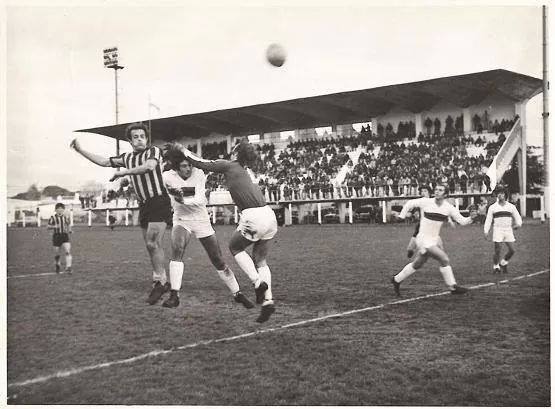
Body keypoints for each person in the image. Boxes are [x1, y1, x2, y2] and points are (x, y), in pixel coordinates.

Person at [71, 122, 173, 305]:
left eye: (142, 136)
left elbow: (149, 167)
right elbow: (103, 161)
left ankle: (159, 282)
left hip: (159, 201)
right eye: (135, 137)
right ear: (130, 140)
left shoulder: (153, 152)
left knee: (153, 242)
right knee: (151, 246)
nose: (140, 139)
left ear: (146, 138)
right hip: (144, 205)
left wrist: (124, 173)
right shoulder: (126, 157)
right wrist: (81, 151)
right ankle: (162, 279)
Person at [180, 140, 278, 323]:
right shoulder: (245, 170)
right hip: (269, 215)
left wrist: (183, 150)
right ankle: (268, 301)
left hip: (253, 215)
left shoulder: (230, 165)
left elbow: (202, 163)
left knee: (235, 247)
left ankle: (257, 282)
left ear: (235, 153)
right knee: (260, 259)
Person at [161, 143, 254, 309]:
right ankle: (174, 295)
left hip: (201, 219)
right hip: (181, 219)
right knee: (177, 249)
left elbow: (200, 199)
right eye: (184, 166)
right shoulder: (167, 176)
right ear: (176, 166)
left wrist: (183, 196)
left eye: (190, 165)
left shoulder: (199, 173)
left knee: (217, 259)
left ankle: (237, 294)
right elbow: (178, 195)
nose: (188, 169)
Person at [391, 182, 477, 296]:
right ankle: (452, 287)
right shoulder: (426, 202)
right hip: (422, 239)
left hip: (433, 239)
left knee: (417, 264)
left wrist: (471, 218)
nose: (437, 191)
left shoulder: (448, 208)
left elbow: (462, 221)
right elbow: (409, 203)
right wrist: (402, 216)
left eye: (440, 190)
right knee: (444, 259)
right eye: (436, 189)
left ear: (446, 194)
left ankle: (396, 280)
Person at [483, 186, 522, 274]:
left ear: (505, 195)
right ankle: (496, 266)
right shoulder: (492, 207)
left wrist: (518, 224)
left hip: (508, 230)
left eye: (502, 193)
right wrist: (486, 231)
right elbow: (488, 220)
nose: (500, 195)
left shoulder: (511, 206)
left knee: (512, 250)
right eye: (498, 193)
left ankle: (503, 263)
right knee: (498, 249)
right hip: (498, 229)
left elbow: (518, 217)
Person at [48, 203, 73, 274]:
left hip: (64, 236)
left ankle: (68, 267)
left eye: (61, 209)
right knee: (57, 254)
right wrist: (54, 226)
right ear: (55, 210)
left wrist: (70, 230)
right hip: (56, 236)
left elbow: (68, 224)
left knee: (68, 251)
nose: (60, 210)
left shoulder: (65, 217)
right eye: (58, 209)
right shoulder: (53, 218)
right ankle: (57, 264)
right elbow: (48, 226)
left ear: (63, 210)